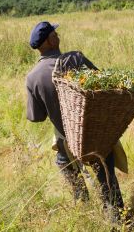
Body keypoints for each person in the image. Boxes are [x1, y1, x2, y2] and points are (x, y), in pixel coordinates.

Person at [25, 21, 124, 213]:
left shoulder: (32, 77)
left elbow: (37, 117)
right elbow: (105, 89)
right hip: (97, 136)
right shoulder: (77, 61)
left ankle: (83, 208)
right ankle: (117, 218)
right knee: (106, 179)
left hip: (66, 139)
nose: (58, 37)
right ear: (51, 41)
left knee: (65, 163)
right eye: (55, 34)